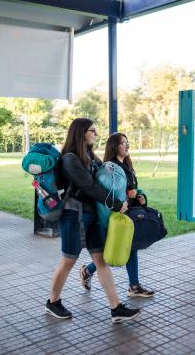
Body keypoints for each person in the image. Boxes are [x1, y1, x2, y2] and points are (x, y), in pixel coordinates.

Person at [45, 118, 141, 323]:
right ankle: (53, 302)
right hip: (73, 216)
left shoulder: (90, 157)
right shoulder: (70, 159)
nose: (96, 134)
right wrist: (115, 204)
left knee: (101, 260)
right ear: (81, 133)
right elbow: (90, 187)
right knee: (68, 261)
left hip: (92, 217)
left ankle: (116, 308)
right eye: (92, 131)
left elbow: (104, 180)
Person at [80, 133, 155, 298]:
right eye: (123, 143)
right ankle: (88, 270)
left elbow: (132, 190)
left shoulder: (126, 166)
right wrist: (129, 194)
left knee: (127, 248)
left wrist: (140, 197)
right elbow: (111, 194)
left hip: (128, 215)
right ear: (114, 146)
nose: (127, 146)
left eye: (127, 143)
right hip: (113, 218)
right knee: (113, 252)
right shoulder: (109, 168)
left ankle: (134, 286)